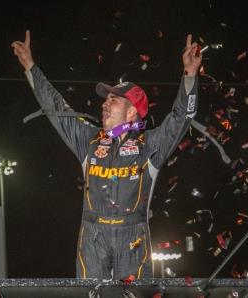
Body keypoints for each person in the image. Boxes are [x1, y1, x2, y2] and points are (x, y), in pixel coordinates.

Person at [12, 30, 202, 279]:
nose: (104, 104)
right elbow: (55, 108)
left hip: (132, 236)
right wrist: (30, 66)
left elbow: (181, 117)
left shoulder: (150, 143)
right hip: (93, 235)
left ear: (132, 112)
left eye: (114, 100)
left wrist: (190, 74)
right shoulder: (89, 140)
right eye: (106, 99)